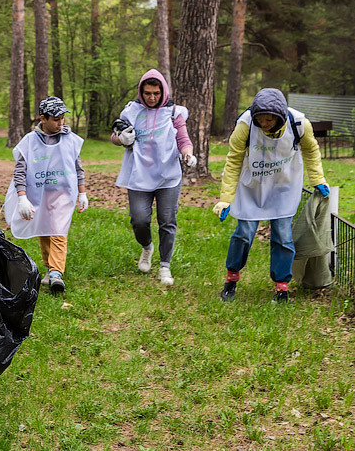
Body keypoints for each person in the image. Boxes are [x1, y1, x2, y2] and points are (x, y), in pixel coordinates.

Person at [213, 88, 329, 303]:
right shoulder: (245, 125)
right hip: (252, 186)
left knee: (283, 236)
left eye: (269, 120)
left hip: (284, 186)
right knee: (244, 233)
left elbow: (311, 151)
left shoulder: (299, 123)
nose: (264, 124)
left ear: (280, 117)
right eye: (260, 119)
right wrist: (226, 198)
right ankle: (231, 278)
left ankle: (281, 287)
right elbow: (233, 160)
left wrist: (318, 179)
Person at [110, 69, 197, 286]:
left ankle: (165, 266)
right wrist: (121, 139)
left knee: (167, 221)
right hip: (139, 174)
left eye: (156, 93)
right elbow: (114, 135)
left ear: (163, 92)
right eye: (147, 93)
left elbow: (183, 138)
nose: (151, 97)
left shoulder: (174, 112)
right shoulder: (132, 111)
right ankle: (147, 247)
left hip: (168, 175)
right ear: (141, 91)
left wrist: (188, 154)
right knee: (139, 219)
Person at [3, 96, 88, 294]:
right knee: (44, 231)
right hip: (39, 194)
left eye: (62, 119)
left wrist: (82, 193)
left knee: (58, 230)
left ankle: (57, 273)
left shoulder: (70, 141)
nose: (61, 123)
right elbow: (20, 171)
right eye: (56, 119)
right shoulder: (30, 142)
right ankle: (50, 266)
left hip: (63, 195)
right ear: (43, 118)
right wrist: (22, 197)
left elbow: (78, 168)